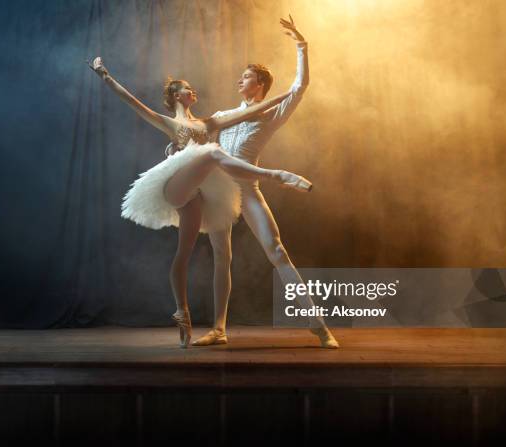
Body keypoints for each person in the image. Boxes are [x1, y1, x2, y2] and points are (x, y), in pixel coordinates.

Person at [87, 56, 314, 348]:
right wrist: (105, 76)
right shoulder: (170, 121)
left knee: (185, 253)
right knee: (213, 153)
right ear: (175, 95)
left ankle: (183, 312)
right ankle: (276, 175)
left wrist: (287, 94)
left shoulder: (210, 122)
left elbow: (250, 113)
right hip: (176, 185)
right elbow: (133, 102)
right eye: (187, 88)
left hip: (202, 194)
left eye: (192, 88)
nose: (193, 91)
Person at [165, 15, 340, 349]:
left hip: (247, 189)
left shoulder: (271, 114)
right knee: (222, 256)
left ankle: (319, 327)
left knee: (276, 250)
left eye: (246, 77)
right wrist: (176, 148)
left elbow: (299, 88)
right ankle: (219, 329)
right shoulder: (226, 115)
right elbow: (198, 140)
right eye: (242, 76)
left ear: (259, 85)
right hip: (218, 191)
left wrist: (301, 46)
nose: (239, 81)